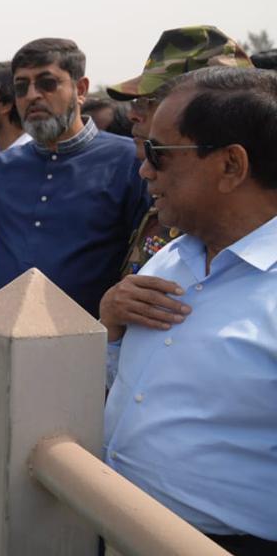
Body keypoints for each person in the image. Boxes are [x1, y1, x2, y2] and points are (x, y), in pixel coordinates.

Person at [100, 66, 277, 555]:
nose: (144, 169)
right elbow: (128, 385)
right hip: (110, 521)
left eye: (159, 153)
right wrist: (110, 329)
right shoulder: (171, 255)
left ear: (231, 166)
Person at [0, 38, 149, 355]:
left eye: (47, 83)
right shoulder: (1, 168)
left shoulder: (129, 162)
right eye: (21, 87)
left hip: (90, 353)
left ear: (80, 89)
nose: (33, 95)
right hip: (1, 348)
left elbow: (143, 265)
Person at [107, 26, 253, 277]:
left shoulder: (252, 224)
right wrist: (110, 314)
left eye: (151, 101)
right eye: (136, 102)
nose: (133, 114)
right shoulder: (171, 205)